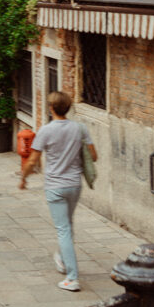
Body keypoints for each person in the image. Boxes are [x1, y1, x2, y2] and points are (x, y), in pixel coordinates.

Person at [19, 91, 97, 292]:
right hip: (74, 185)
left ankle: (72, 278)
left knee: (63, 229)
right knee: (67, 225)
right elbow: (93, 156)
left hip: (55, 187)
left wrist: (23, 178)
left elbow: (33, 160)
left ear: (51, 108)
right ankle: (62, 259)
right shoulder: (80, 128)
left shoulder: (45, 130)